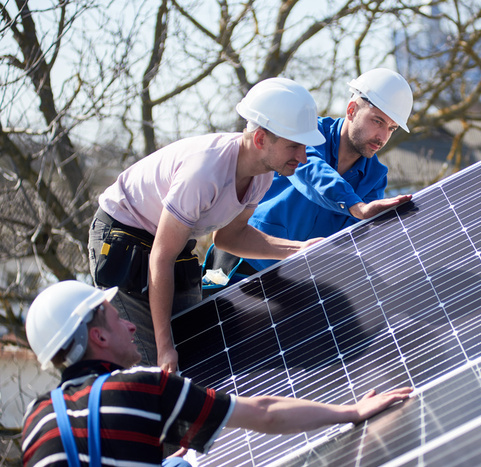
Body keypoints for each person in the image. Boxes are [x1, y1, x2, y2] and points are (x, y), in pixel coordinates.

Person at [21, 280, 413, 466]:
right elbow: (264, 413)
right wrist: (353, 412)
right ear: (98, 336)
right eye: (115, 315)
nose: (132, 326)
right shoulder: (141, 387)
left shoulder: (35, 420)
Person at [88, 77, 326, 373]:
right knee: (156, 368)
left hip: (170, 246)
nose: (302, 157)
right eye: (294, 146)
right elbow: (161, 258)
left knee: (195, 353)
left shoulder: (261, 174)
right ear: (261, 139)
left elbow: (229, 237)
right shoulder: (204, 172)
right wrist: (164, 349)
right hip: (124, 240)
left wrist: (298, 249)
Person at [203, 68, 414, 283]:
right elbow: (309, 170)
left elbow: (353, 240)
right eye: (377, 121)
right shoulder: (308, 133)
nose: (382, 137)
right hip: (242, 260)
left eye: (391, 128)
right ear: (351, 110)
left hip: (294, 282)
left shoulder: (376, 177)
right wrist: (356, 206)